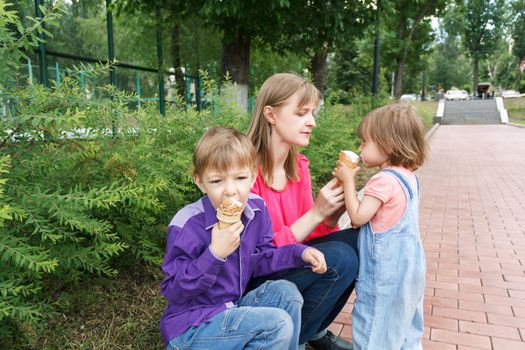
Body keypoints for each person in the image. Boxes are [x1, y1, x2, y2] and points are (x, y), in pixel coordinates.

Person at [160, 126, 329, 350]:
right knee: (276, 325)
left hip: (231, 308)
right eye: (217, 181)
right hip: (191, 328)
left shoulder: (256, 210)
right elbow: (174, 291)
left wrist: (300, 253)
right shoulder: (187, 225)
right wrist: (214, 255)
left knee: (287, 294)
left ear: (252, 176)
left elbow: (263, 257)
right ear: (200, 182)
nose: (230, 190)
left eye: (240, 177)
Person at [247, 72, 359, 350]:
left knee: (361, 241)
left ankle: (312, 330)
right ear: (270, 114)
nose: (312, 122)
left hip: (290, 260)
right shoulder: (243, 172)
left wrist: (332, 212)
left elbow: (311, 233)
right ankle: (287, 341)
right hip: (256, 277)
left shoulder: (299, 167)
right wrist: (316, 214)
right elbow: (257, 254)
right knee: (341, 258)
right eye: (301, 113)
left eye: (312, 112)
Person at [332, 103, 427, 349]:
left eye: (364, 142)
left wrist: (348, 181)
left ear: (388, 145)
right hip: (411, 269)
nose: (360, 148)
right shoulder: (409, 178)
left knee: (374, 328)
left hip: (386, 273)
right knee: (405, 327)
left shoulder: (383, 180)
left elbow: (358, 217)